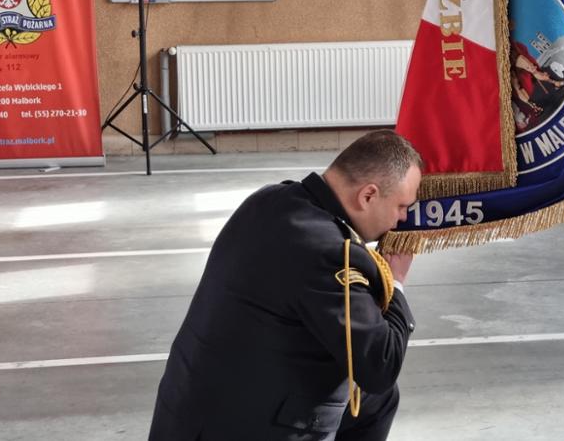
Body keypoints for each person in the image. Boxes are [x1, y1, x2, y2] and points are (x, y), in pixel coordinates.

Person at [150, 130, 422, 441]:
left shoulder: (270, 200)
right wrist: (396, 282)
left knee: (375, 402)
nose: (403, 218)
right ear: (368, 196)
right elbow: (380, 366)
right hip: (239, 427)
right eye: (401, 206)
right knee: (377, 388)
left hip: (189, 407)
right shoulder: (331, 253)